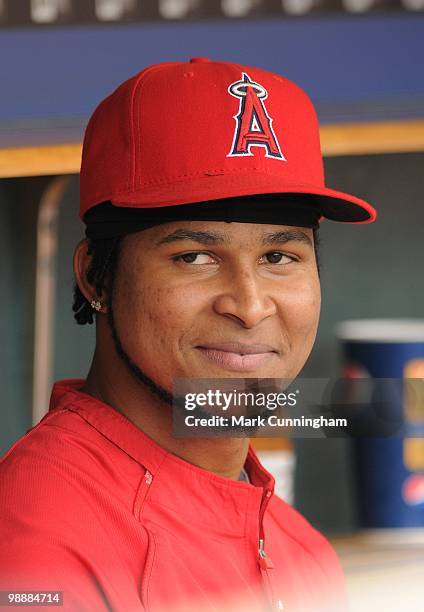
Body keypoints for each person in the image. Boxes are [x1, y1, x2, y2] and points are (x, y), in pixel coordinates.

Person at [0, 58, 376, 612]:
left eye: (279, 255)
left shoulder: (303, 550)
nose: (249, 306)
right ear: (94, 274)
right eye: (194, 256)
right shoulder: (40, 548)